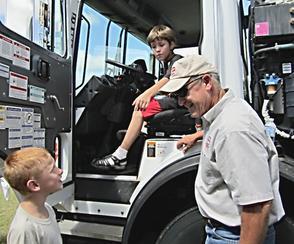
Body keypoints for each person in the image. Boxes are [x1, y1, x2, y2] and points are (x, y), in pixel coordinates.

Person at [160, 54, 284, 244]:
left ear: (207, 81)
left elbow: (256, 207)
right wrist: (197, 136)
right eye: (176, 96)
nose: (180, 102)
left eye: (183, 92)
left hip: (233, 236)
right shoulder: (221, 116)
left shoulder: (233, 129)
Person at [91, 25, 203, 170]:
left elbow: (167, 80)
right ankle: (138, 131)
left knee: (140, 108)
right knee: (144, 103)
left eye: (161, 45)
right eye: (153, 46)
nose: (157, 50)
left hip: (179, 101)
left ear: (172, 44)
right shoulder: (167, 62)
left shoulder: (177, 60)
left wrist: (146, 94)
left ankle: (120, 156)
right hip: (175, 99)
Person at [4, 147, 63, 244]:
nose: (60, 171)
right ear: (34, 185)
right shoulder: (24, 230)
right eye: (52, 170)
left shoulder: (47, 209)